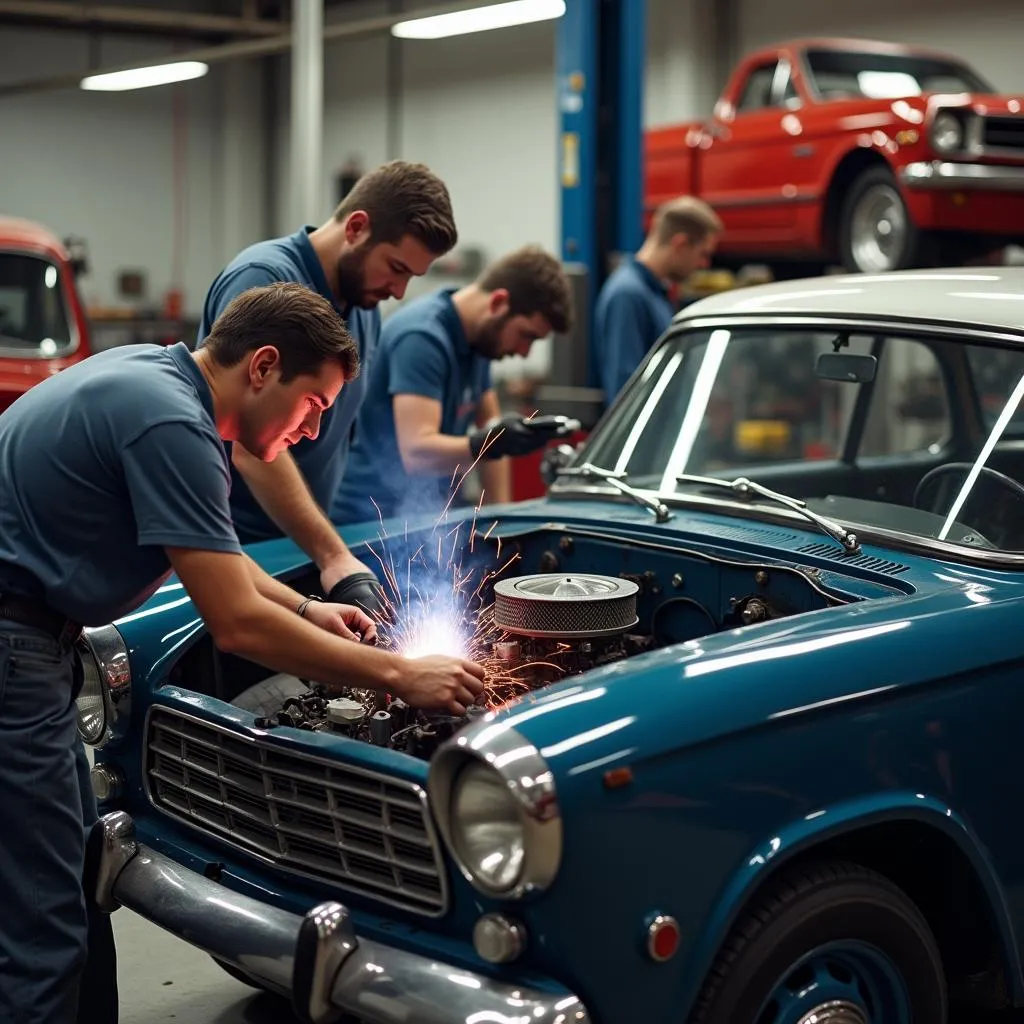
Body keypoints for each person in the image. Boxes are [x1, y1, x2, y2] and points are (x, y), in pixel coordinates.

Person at [0, 282, 485, 1024]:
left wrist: (306, 607)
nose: (315, 431)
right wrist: (402, 674)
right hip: (15, 652)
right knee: (45, 933)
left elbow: (212, 553)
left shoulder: (156, 379)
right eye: (315, 405)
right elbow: (234, 623)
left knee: (72, 883)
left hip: (32, 647)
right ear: (263, 367)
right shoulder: (169, 422)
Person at [198, 160, 458, 616]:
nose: (399, 291)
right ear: (357, 227)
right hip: (239, 549)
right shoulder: (265, 277)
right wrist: (332, 554)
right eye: (395, 268)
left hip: (301, 545)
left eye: (411, 277)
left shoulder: (365, 308)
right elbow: (246, 442)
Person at [332, 245, 573, 525]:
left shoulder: (479, 343)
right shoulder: (422, 338)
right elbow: (418, 454)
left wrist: (503, 521)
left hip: (427, 517)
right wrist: (488, 442)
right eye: (526, 336)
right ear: (498, 303)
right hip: (373, 522)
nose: (524, 352)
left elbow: (491, 431)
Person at [592, 195, 722, 405]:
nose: (704, 264)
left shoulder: (653, 293)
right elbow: (626, 392)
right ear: (680, 244)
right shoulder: (628, 295)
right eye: (702, 253)